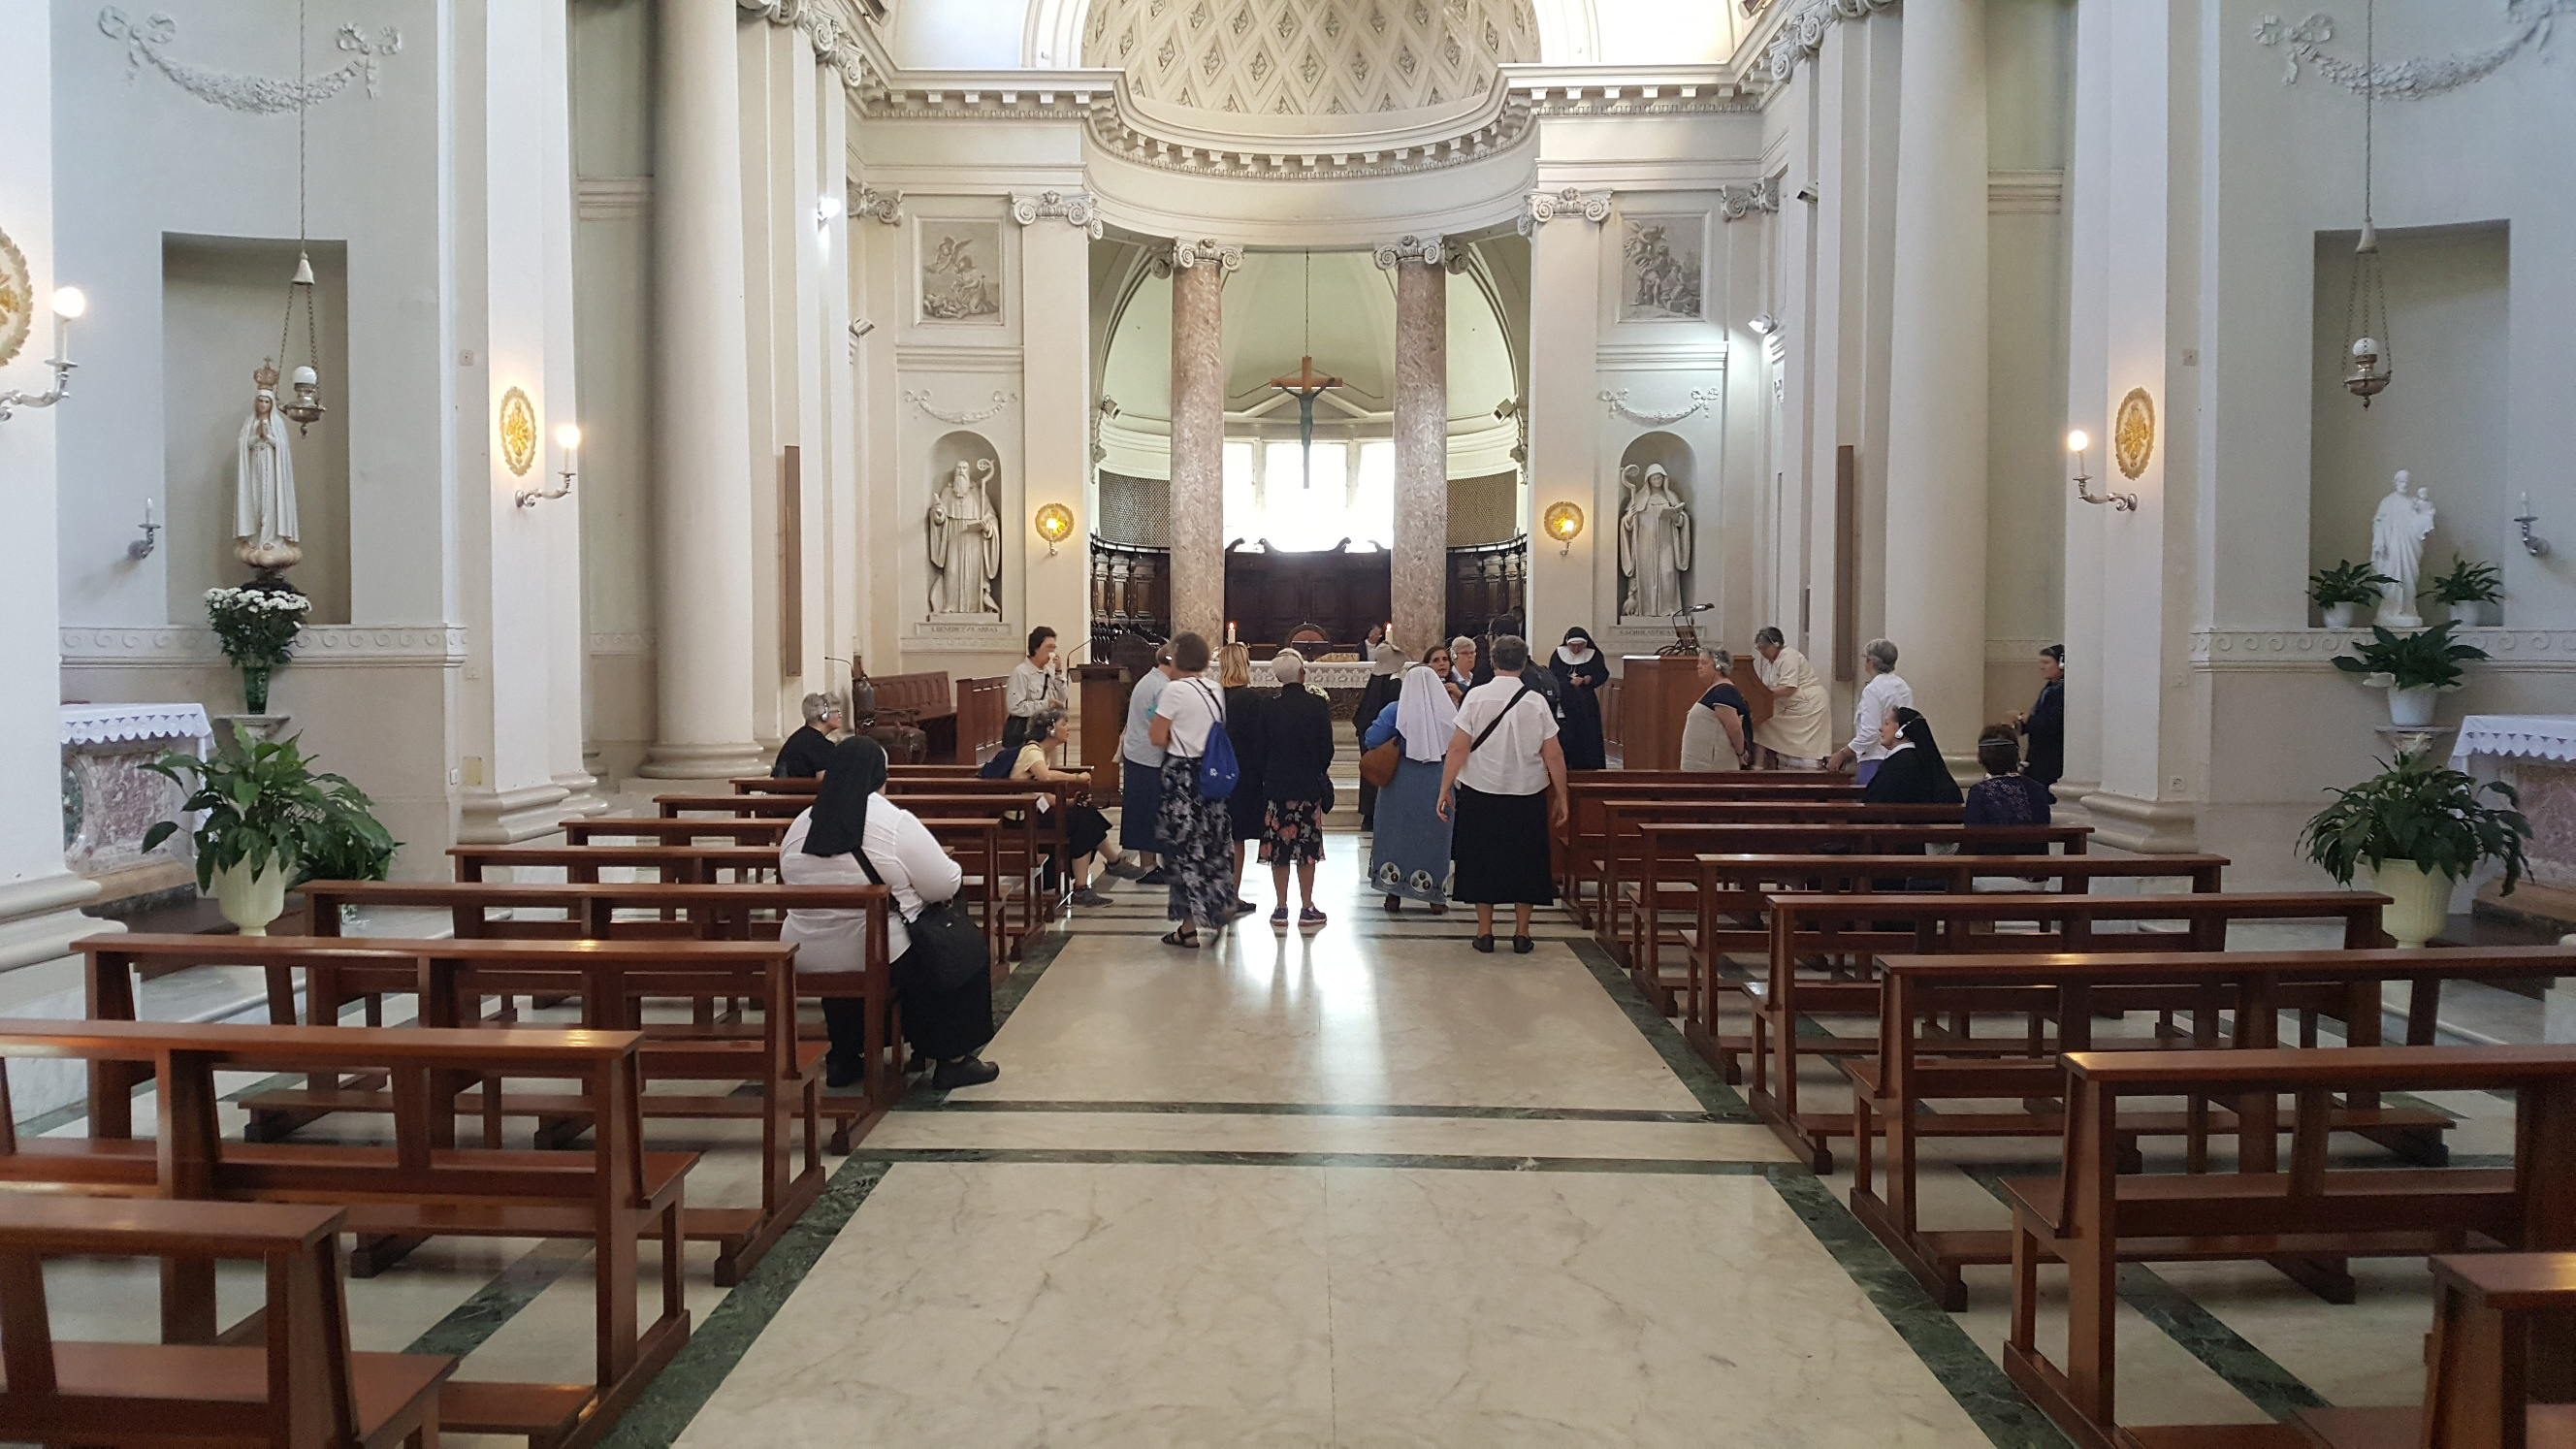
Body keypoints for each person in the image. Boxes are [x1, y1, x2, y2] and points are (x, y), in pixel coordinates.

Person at [780, 736, 998, 1090]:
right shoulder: (890, 820)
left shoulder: (801, 824)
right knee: (958, 947)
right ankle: (953, 1059)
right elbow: (944, 884)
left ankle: (845, 1056)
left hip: (805, 954)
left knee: (844, 939)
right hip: (880, 954)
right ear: (881, 777)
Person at [1438, 635, 1570, 954]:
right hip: (1526, 792)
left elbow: (1458, 747)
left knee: (1482, 859)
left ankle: (1485, 932)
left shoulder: (1477, 697)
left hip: (1480, 791)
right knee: (1526, 862)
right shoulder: (1536, 701)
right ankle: (1522, 933)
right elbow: (1553, 754)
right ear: (1524, 663)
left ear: (1493, 661)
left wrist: (1444, 788)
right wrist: (1562, 795)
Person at [1148, 632, 1234, 948]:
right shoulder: (1215, 688)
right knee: (1209, 846)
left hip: (1181, 776)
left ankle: (1192, 922)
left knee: (1182, 850)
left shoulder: (1174, 690)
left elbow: (1157, 737)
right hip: (1209, 775)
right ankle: (1204, 916)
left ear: (1177, 657)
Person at [1364, 664, 1457, 914]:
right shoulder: (1448, 711)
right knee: (1435, 834)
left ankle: (1393, 894)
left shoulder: (1395, 710)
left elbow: (1371, 739)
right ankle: (1435, 896)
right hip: (1438, 779)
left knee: (1395, 832)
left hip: (1399, 780)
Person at [1011, 707, 1120, 907]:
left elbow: (1041, 794)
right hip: (1021, 820)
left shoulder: (1041, 752)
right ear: (1050, 730)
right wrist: (1077, 777)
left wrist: (1070, 802)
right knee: (1083, 820)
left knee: (1083, 814)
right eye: (1064, 724)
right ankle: (1109, 866)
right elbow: (1045, 777)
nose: (1068, 728)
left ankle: (1091, 880)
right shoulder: (1032, 750)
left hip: (1032, 813)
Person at [1258, 650, 1335, 930]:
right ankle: (1307, 907)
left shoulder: (1268, 706)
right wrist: (1316, 769)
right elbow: (1327, 748)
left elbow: (1261, 747)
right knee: (1306, 850)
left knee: (1279, 849)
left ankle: (1280, 908)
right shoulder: (1316, 705)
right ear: (1302, 673)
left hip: (1277, 787)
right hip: (1307, 787)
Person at [1115, 641, 1176, 885]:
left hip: (1138, 753)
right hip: (1148, 757)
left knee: (1146, 812)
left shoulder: (1150, 680)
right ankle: (1149, 868)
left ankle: (1150, 865)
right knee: (1150, 812)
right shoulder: (1161, 688)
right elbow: (1161, 724)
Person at [1217, 642, 1266, 918]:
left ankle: (1217, 893)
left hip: (1213, 773)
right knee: (1236, 837)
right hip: (1243, 775)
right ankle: (1231, 896)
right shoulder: (1251, 699)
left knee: (1217, 835)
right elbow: (1259, 741)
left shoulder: (1215, 696)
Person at [1826, 638, 1913, 786]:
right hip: (1898, 756)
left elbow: (1869, 732)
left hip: (1875, 758)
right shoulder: (1903, 686)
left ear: (1871, 662)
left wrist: (1842, 754)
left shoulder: (1873, 690)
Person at [1749, 627, 1832, 768]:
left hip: (1809, 705)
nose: (1762, 653)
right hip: (1791, 703)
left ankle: (1760, 765)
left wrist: (1762, 696)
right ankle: (1760, 764)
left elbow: (1788, 687)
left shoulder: (1788, 656)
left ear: (1775, 644)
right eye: (1759, 649)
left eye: (1763, 648)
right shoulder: (1770, 662)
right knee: (1760, 720)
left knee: (1763, 721)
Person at [1964, 724, 2055, 845]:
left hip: (1991, 862)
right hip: (2034, 860)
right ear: (2017, 756)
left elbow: (1971, 838)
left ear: (1980, 758)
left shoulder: (1979, 792)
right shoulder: (2036, 788)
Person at [1353, 624, 1405, 829]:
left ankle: (1368, 815)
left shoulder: (1375, 681)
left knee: (1369, 775)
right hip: (1383, 738)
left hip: (1369, 734)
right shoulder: (1394, 684)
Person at [1862, 707, 1963, 806]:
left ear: (1900, 730)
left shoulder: (1898, 764)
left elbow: (1874, 801)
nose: (1881, 728)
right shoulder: (1921, 758)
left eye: (1887, 724)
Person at [1548, 628, 1610, 771]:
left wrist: (1589, 678)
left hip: (1586, 703)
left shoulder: (1594, 655)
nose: (1576, 649)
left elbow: (1602, 673)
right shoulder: (1558, 654)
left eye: (1579, 646)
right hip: (1564, 702)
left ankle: (1591, 766)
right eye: (1572, 646)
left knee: (1589, 734)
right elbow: (1553, 675)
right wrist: (1567, 682)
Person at [1681, 649, 1751, 771]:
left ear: (1719, 666)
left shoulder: (1724, 691)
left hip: (1713, 766)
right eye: (1699, 663)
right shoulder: (1716, 690)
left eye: (1704, 663)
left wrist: (1741, 754)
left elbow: (1734, 727)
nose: (1699, 667)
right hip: (1702, 765)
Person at [1003, 626, 1069, 752]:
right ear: (1036, 648)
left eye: (1054, 648)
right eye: (1048, 648)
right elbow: (1015, 707)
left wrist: (1059, 671)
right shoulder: (1021, 673)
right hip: (1026, 733)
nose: (1052, 653)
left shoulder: (1049, 672)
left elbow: (1063, 696)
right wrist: (1046, 704)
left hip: (1046, 735)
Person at [2011, 645, 2066, 788]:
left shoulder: (2061, 691)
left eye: (2046, 662)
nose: (2041, 667)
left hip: (2051, 755)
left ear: (2061, 664)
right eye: (2041, 662)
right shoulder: (2049, 688)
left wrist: (2027, 719)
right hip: (2038, 752)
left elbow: (2051, 723)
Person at [771, 692, 842, 778]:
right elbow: (826, 781)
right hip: (804, 791)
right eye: (837, 711)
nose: (840, 715)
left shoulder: (798, 737)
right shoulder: (820, 745)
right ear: (824, 715)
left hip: (785, 790)